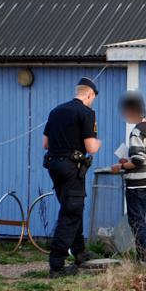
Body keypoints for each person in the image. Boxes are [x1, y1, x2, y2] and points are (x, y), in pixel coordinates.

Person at [42, 77, 101, 278]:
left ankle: (80, 251)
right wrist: (98, 143)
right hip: (71, 167)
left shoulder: (55, 111)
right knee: (71, 212)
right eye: (93, 98)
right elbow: (91, 147)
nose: (92, 101)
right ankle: (56, 264)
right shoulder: (86, 112)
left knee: (73, 207)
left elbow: (45, 144)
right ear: (89, 94)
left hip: (53, 165)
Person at [110, 92, 146, 263]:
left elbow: (138, 160)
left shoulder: (136, 132)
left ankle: (145, 259)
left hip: (136, 183)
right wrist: (130, 160)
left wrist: (121, 166)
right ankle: (144, 258)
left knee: (137, 222)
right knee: (141, 218)